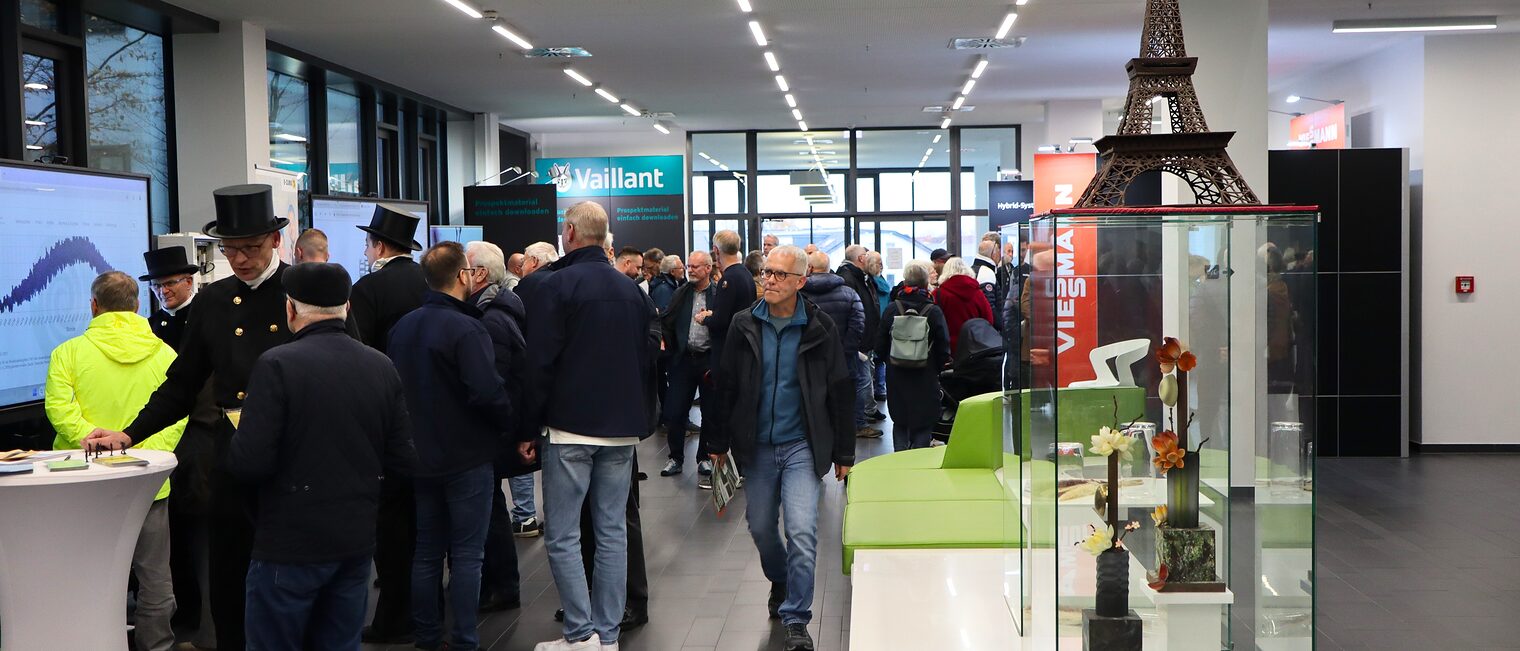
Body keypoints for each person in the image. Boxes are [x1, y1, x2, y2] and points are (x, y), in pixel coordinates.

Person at [85, 184, 337, 651]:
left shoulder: (305, 290)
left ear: (277, 243)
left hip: (298, 453)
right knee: (229, 575)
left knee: (296, 577)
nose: (240, 259)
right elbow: (182, 383)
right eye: (230, 249)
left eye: (251, 248)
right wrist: (129, 433)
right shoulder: (214, 301)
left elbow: (344, 368)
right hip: (234, 453)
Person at [228, 263, 415, 651]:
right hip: (355, 538)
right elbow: (402, 462)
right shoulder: (381, 366)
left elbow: (250, 463)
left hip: (288, 540)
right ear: (347, 306)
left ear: (290, 310)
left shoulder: (277, 364)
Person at [520, 201, 658, 651]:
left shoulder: (554, 287)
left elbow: (538, 363)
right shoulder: (633, 291)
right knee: (612, 530)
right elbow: (647, 361)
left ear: (572, 231)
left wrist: (526, 425)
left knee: (562, 535)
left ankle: (580, 634)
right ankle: (609, 634)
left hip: (569, 429)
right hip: (620, 430)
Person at [708, 245, 854, 651]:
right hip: (755, 445)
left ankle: (796, 618)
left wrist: (844, 454)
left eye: (778, 275)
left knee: (803, 531)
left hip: (802, 446)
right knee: (760, 529)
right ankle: (782, 578)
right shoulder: (743, 324)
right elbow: (727, 386)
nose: (768, 280)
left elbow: (840, 391)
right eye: (765, 273)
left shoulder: (820, 327)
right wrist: (717, 442)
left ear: (800, 282)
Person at [47, 271, 186, 651]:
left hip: (82, 482)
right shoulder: (167, 354)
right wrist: (144, 453)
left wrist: (94, 445)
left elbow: (60, 410)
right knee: (155, 577)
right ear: (138, 306)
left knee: (84, 571)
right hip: (150, 481)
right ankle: (157, 645)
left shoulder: (68, 353)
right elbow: (177, 416)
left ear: (94, 306)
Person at [388, 242, 515, 651]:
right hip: (466, 456)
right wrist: (506, 425)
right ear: (463, 276)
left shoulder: (402, 327)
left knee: (426, 552)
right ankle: (463, 638)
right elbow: (486, 392)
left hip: (419, 456)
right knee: (466, 555)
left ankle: (426, 636)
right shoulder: (468, 328)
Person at [347, 204, 428, 644]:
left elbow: (359, 353)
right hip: (433, 417)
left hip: (385, 419)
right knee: (425, 524)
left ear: (378, 246)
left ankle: (392, 618)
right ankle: (427, 611)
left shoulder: (369, 289)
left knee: (391, 526)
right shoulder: (430, 281)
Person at [463, 241, 537, 610]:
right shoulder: (499, 311)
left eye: (463, 267)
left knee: (489, 509)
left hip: (492, 433)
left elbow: (498, 381)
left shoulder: (489, 319)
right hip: (500, 430)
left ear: (478, 274)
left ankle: (501, 586)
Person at [875, 260, 951, 451]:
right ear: (926, 283)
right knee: (923, 422)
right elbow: (943, 345)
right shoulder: (933, 311)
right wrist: (936, 366)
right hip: (925, 374)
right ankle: (919, 462)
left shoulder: (893, 308)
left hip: (897, 374)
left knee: (900, 421)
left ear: (905, 282)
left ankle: (900, 461)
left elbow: (880, 343)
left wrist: (891, 361)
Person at [700, 230, 756, 472]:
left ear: (715, 251)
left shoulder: (728, 279)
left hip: (726, 354)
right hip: (743, 351)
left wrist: (705, 319)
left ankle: (729, 463)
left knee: (723, 409)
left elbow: (723, 320)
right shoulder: (744, 274)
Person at [658, 250, 718, 478]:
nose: (690, 270)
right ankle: (675, 458)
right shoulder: (681, 293)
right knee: (675, 412)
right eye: (689, 266)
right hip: (683, 360)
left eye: (695, 267)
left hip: (708, 360)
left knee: (710, 412)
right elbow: (668, 320)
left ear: (708, 269)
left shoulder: (717, 294)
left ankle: (704, 457)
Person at [799, 251, 868, 433]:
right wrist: (846, 351)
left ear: (810, 268)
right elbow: (858, 325)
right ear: (829, 268)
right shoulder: (849, 293)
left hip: (809, 361)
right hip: (844, 362)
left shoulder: (798, 296)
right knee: (843, 409)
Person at [836, 245, 885, 435]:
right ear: (861, 258)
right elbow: (852, 312)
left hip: (862, 341)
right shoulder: (849, 278)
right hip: (857, 343)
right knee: (861, 381)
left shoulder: (857, 277)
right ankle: (859, 423)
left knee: (863, 380)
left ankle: (862, 417)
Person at [141, 247, 199, 348]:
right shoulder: (149, 326)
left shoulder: (207, 315)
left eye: (170, 283)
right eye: (157, 286)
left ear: (189, 282)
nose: (163, 291)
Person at [935, 257, 994, 353]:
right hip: (974, 348)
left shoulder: (938, 294)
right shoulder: (977, 293)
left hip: (947, 349)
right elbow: (989, 320)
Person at [867, 252, 890, 401]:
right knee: (880, 359)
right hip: (884, 322)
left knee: (869, 360)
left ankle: (870, 392)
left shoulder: (868, 282)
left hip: (872, 323)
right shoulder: (883, 283)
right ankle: (881, 388)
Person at [970, 238, 1004, 330]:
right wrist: (1001, 325)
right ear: (993, 254)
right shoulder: (986, 273)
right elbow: (989, 305)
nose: (1000, 255)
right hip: (986, 329)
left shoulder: (976, 269)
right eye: (998, 251)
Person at [515, 241, 560, 308]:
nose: (522, 268)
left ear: (534, 261)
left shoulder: (529, 282)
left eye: (524, 262)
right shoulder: (563, 277)